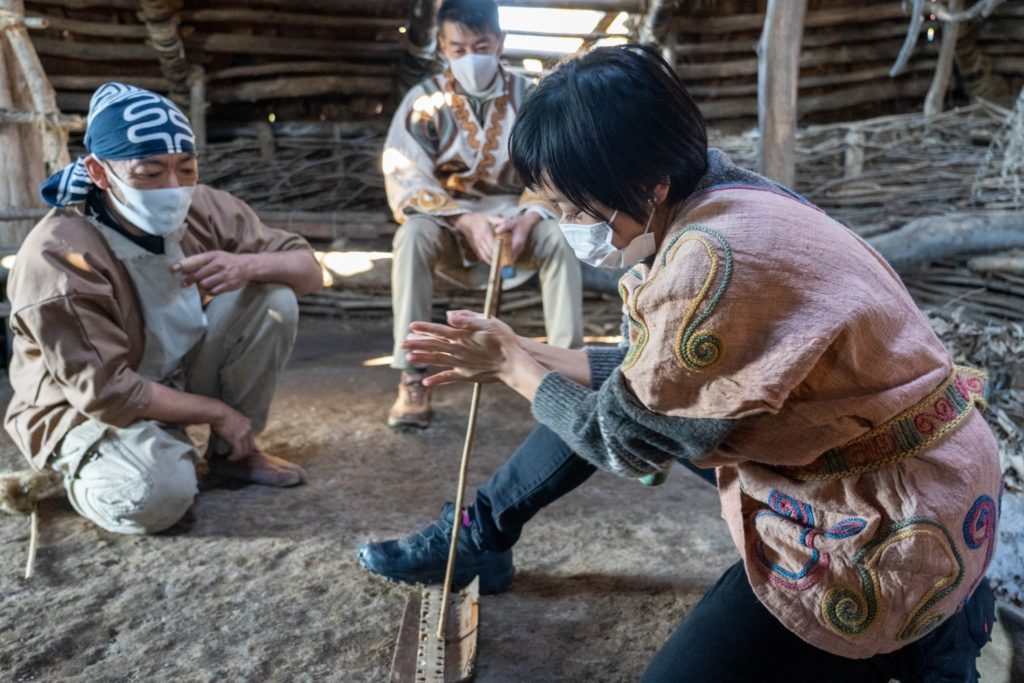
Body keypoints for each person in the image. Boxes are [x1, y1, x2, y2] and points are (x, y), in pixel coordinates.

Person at [359, 45, 1001, 681]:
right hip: (922, 451)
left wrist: (512, 368)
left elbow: (620, 441)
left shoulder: (708, 263)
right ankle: (480, 534)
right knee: (586, 397)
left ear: (649, 184)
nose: (565, 224)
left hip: (890, 502)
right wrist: (523, 350)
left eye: (573, 208)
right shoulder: (722, 190)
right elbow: (656, 379)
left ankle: (926, 632)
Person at [6, 82, 323, 535]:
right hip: (82, 407)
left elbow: (308, 270)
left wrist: (245, 265)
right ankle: (83, 466)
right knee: (154, 498)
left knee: (271, 297)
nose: (172, 188)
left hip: (171, 372)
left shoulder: (202, 206)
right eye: (149, 172)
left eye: (185, 168)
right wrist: (217, 412)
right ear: (98, 172)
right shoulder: (58, 257)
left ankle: (232, 457)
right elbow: (108, 392)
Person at [382, 0, 583, 429]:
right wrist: (464, 220)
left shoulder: (531, 97)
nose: (469, 57)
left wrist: (528, 217)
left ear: (499, 42)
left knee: (559, 238)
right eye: (457, 48)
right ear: (441, 45)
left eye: (480, 45)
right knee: (412, 237)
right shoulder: (423, 102)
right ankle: (412, 375)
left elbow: (555, 165)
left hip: (517, 224)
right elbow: (406, 173)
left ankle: (569, 375)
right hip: (449, 224)